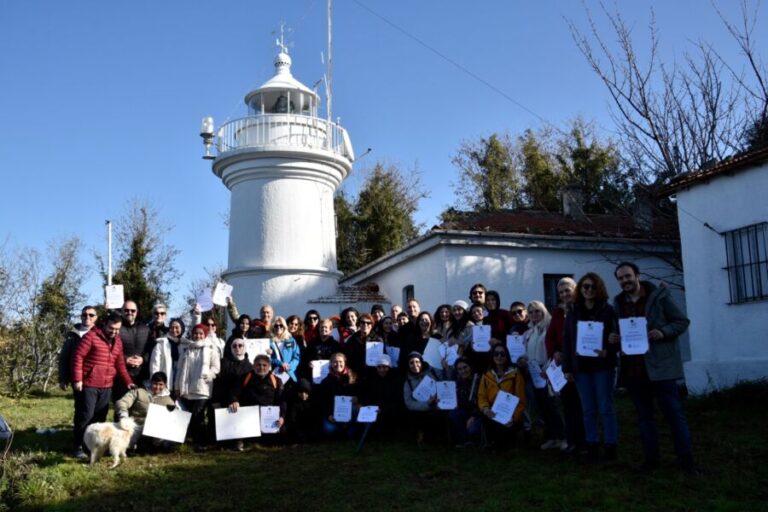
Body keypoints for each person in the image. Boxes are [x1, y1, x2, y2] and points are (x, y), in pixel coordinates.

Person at [610, 261, 697, 474]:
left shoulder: (659, 296)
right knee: (644, 419)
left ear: (637, 275)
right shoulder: (618, 303)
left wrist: (663, 332)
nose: (625, 281)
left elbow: (681, 321)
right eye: (620, 278)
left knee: (674, 415)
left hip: (661, 368)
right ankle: (651, 460)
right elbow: (617, 331)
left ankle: (687, 462)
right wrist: (613, 337)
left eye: (628, 276)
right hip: (634, 370)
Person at [562, 273, 619, 463]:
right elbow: (568, 341)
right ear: (580, 289)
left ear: (599, 289)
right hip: (581, 368)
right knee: (588, 409)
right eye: (585, 287)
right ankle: (592, 445)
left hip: (603, 366)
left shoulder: (608, 311)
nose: (589, 290)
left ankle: (610, 445)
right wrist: (567, 368)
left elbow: (617, 338)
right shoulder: (573, 312)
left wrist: (608, 351)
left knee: (605, 407)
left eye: (593, 287)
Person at [71, 312, 135, 460]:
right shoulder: (91, 336)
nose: (114, 332)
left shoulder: (118, 341)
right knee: (85, 416)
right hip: (88, 384)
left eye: (117, 329)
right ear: (105, 324)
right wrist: (78, 379)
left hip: (106, 385)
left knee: (100, 418)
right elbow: (78, 357)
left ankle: (93, 446)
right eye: (112, 328)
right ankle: (78, 446)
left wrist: (128, 381)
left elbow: (119, 364)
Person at [545, 277, 585, 455]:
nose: (564, 295)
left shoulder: (583, 309)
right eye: (561, 292)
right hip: (565, 365)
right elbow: (550, 336)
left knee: (584, 405)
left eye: (567, 290)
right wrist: (554, 351)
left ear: (575, 290)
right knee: (568, 404)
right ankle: (572, 440)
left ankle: (586, 441)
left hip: (582, 363)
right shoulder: (558, 313)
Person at [521, 301, 566, 450]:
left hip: (549, 371)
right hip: (535, 373)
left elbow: (554, 349)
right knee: (542, 407)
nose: (534, 314)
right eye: (531, 312)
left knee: (553, 405)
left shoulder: (549, 328)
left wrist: (547, 368)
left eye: (538, 311)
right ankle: (552, 436)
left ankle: (563, 437)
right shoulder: (530, 332)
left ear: (544, 312)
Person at [174, 323, 220, 451]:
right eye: (195, 333)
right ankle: (193, 441)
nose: (198, 335)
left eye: (200, 333)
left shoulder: (211, 348)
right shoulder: (187, 349)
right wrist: (177, 386)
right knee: (189, 416)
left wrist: (210, 374)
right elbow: (180, 369)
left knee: (198, 415)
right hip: (187, 389)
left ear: (204, 334)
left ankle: (202, 442)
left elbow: (216, 367)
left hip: (202, 389)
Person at [477, 344, 526, 451]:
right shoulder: (486, 376)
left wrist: (513, 418)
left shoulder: (516, 375)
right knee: (486, 421)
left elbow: (521, 401)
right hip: (492, 413)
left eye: (502, 354)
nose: (499, 357)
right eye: (496, 354)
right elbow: (481, 396)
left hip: (510, 415)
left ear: (507, 356)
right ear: (492, 356)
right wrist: (485, 409)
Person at [229, 354, 286, 447]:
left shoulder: (276, 380)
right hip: (248, 419)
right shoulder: (244, 378)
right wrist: (234, 401)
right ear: (253, 366)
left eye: (264, 365)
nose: (261, 367)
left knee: (279, 438)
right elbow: (234, 393)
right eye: (258, 365)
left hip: (269, 419)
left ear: (269, 366)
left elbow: (282, 401)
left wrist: (282, 417)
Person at [115, 371, 175, 450]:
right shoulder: (139, 392)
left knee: (165, 443)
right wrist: (123, 415)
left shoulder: (168, 400)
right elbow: (122, 402)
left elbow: (173, 417)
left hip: (154, 429)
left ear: (165, 385)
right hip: (136, 426)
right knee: (124, 445)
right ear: (151, 382)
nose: (157, 387)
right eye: (155, 384)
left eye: (160, 384)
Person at [210, 337, 253, 448]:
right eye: (234, 346)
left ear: (245, 348)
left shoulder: (250, 366)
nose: (237, 348)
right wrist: (216, 400)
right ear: (230, 348)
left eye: (240, 345)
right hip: (224, 398)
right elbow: (218, 383)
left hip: (242, 400)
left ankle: (239, 440)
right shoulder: (223, 363)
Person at [315, 352, 358, 439]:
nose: (338, 364)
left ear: (345, 362)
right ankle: (343, 430)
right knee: (329, 429)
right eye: (335, 362)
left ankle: (348, 428)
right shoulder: (326, 382)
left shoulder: (353, 377)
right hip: (333, 414)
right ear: (330, 364)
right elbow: (322, 401)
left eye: (340, 361)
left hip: (350, 413)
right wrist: (328, 415)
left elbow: (360, 394)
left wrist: (356, 398)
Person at [359, 354, 403, 438]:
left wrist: (383, 409)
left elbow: (397, 401)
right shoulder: (372, 380)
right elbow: (368, 397)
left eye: (385, 367)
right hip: (374, 411)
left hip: (389, 412)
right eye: (379, 367)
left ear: (389, 367)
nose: (382, 370)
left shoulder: (396, 381)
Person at [403, 352, 442, 444]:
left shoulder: (433, 371)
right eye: (411, 363)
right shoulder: (407, 381)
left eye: (417, 362)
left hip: (438, 405)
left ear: (421, 362)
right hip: (421, 409)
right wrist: (427, 404)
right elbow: (409, 402)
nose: (415, 365)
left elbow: (446, 380)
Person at [59, 305, 98, 390]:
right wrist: (63, 378)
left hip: (95, 379)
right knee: (80, 403)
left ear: (96, 317)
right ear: (81, 317)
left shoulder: (100, 333)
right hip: (75, 377)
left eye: (91, 315)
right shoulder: (72, 334)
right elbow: (64, 357)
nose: (87, 317)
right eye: (84, 315)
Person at [448, 357, 482, 447]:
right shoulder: (458, 383)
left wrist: (474, 416)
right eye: (460, 369)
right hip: (466, 412)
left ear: (470, 367)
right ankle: (464, 440)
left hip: (479, 413)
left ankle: (476, 440)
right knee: (453, 414)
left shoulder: (479, 380)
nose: (463, 371)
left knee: (473, 429)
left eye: (465, 367)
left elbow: (483, 402)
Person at [118, 300, 150, 392]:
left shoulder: (145, 329)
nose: (130, 313)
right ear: (122, 311)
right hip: (121, 376)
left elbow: (150, 349)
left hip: (142, 376)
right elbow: (110, 349)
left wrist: (143, 359)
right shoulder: (116, 328)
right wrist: (125, 359)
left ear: (137, 312)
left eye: (133, 310)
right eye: (126, 310)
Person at [148, 317, 187, 392]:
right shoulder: (162, 343)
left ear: (182, 329)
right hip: (164, 381)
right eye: (172, 328)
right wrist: (156, 383)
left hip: (179, 382)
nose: (174, 330)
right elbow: (154, 364)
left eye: (177, 327)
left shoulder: (185, 345)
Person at [269, 316, 301, 384]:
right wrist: (280, 364)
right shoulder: (269, 341)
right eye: (276, 325)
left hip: (289, 374)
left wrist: (289, 367)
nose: (278, 327)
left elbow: (296, 357)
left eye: (281, 325)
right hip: (274, 374)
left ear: (284, 327)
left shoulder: (291, 340)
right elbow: (267, 359)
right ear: (273, 327)